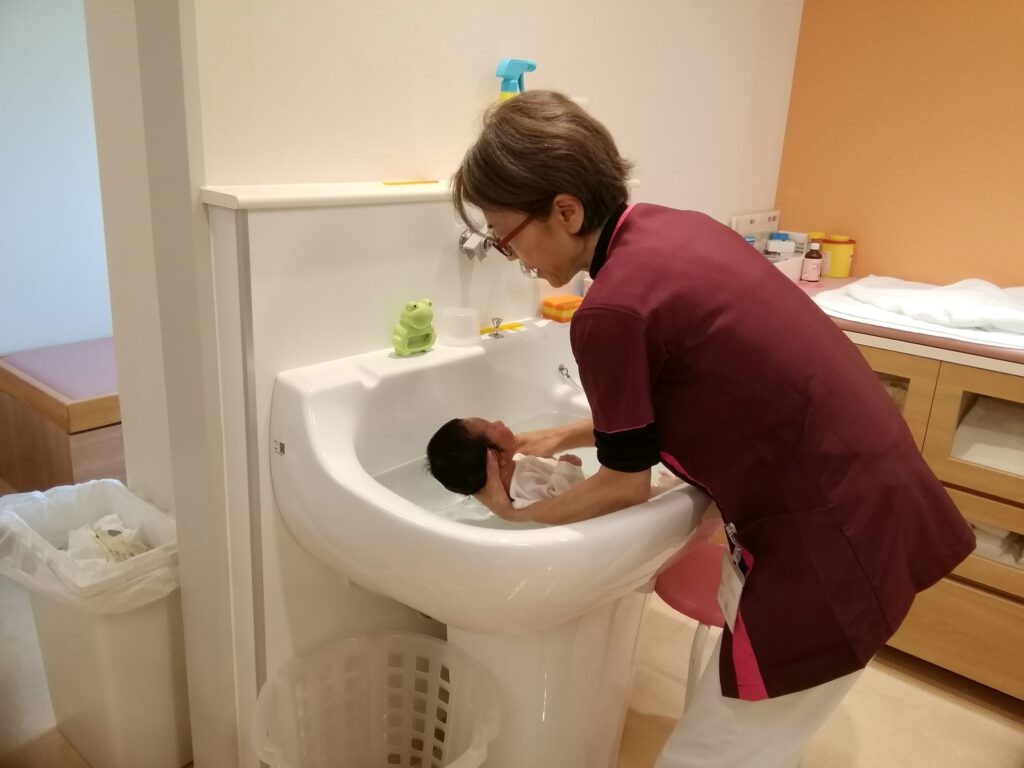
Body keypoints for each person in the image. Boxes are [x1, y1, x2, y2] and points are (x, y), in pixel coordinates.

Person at [449, 90, 974, 768]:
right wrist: (555, 438)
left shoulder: (609, 312)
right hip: (874, 495)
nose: (509, 255)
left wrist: (515, 518)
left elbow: (624, 487)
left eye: (505, 237)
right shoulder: (675, 231)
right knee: (750, 731)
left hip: (829, 547)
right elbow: (692, 389)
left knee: (711, 755)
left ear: (566, 211)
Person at [426, 416, 680, 509]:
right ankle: (670, 490)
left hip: (596, 488)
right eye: (492, 426)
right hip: (605, 506)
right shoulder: (521, 487)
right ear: (494, 458)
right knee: (656, 496)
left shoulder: (513, 466)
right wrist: (567, 467)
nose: (499, 422)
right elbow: (563, 498)